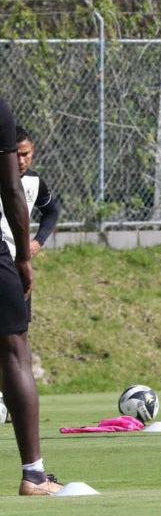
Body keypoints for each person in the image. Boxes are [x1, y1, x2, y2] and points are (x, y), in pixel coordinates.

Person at [0, 102, 62, 495]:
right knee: (14, 351)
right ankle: (34, 475)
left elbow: (51, 209)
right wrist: (24, 256)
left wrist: (34, 242)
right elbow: (9, 189)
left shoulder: (38, 181)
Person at [0, 126, 62, 259]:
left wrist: (38, 241)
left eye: (25, 154)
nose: (21, 161)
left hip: (15, 261)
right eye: (16, 155)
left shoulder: (34, 182)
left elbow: (52, 211)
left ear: (32, 150)